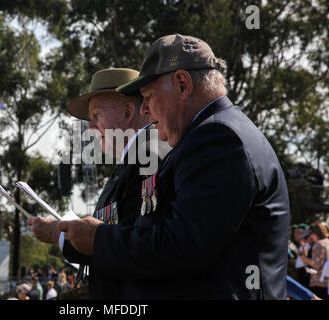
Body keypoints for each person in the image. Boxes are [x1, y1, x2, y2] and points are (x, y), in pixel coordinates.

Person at [59, 34, 290, 299]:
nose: (143, 110)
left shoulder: (218, 139)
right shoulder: (210, 135)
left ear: (182, 84)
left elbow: (181, 248)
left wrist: (97, 238)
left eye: (147, 96)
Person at [27, 68, 170, 299]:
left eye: (96, 116)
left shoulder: (149, 155)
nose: (91, 128)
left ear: (127, 112)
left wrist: (61, 234)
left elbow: (134, 245)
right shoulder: (136, 156)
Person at [298, 222, 329, 299]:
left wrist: (303, 258)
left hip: (319, 281)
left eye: (311, 233)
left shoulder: (319, 244)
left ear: (316, 232)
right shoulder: (327, 242)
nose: (310, 236)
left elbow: (316, 264)